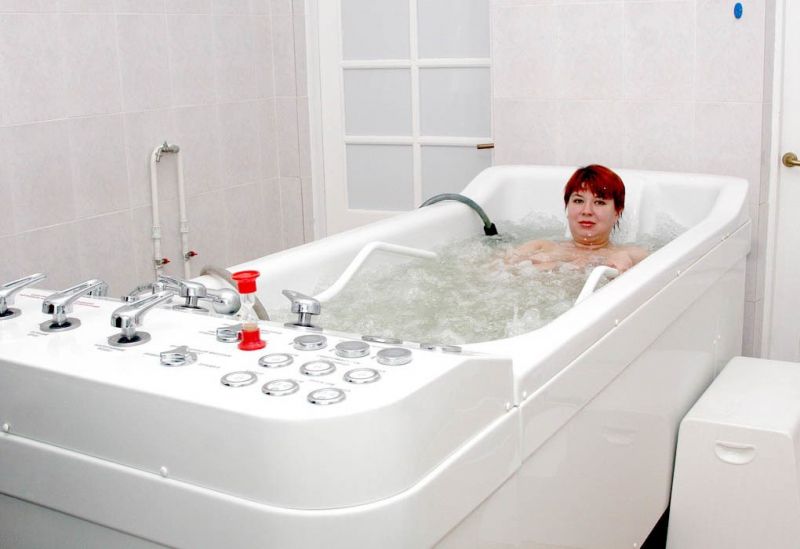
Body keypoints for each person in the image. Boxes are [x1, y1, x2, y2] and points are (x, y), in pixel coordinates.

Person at [505, 164, 648, 272]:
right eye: (578, 201)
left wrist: (624, 258)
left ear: (617, 212)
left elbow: (641, 258)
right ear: (567, 207)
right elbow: (498, 268)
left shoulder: (628, 253)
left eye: (599, 202)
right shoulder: (540, 247)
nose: (586, 211)